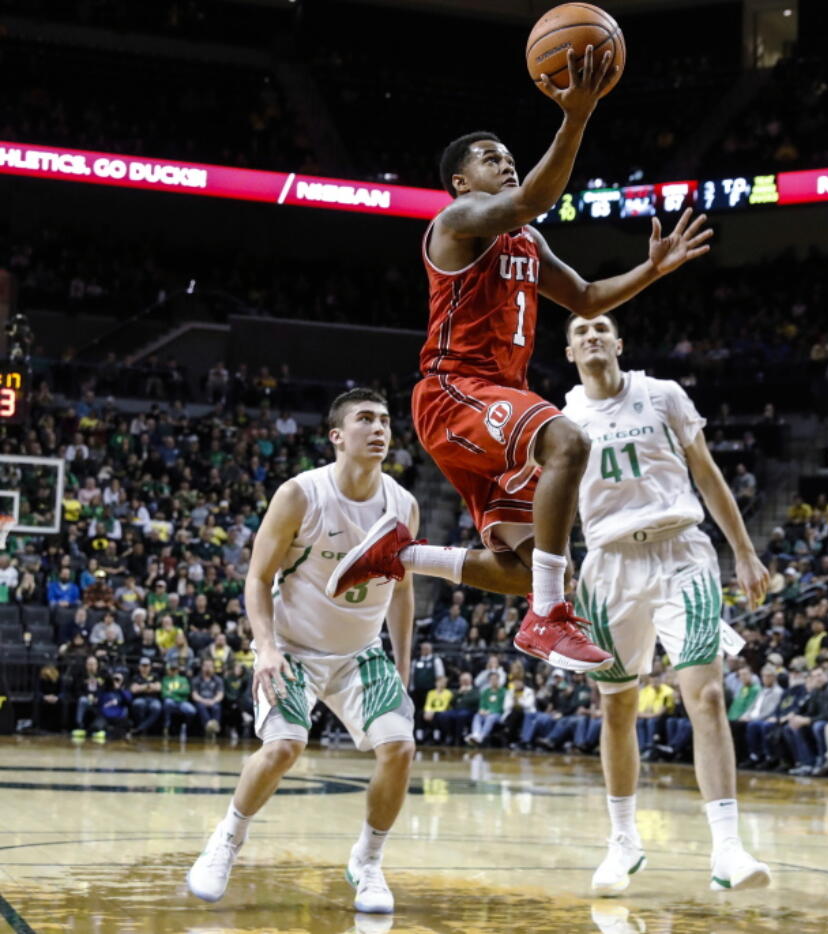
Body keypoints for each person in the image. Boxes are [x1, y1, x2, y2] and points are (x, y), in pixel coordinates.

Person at [325, 46, 713, 675]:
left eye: (507, 156)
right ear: (460, 182)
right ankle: (548, 618)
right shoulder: (456, 222)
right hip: (455, 392)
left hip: (492, 401)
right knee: (568, 442)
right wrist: (576, 117)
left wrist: (653, 268)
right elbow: (531, 198)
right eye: (490, 159)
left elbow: (585, 297)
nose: (503, 163)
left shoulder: (526, 239)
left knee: (530, 566)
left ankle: (403, 554)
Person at [559, 313, 772, 894]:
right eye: (581, 332)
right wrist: (553, 573)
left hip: (683, 554)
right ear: (571, 352)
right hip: (609, 567)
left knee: (704, 693)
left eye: (601, 327)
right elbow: (548, 503)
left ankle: (727, 847)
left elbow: (707, 474)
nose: (592, 336)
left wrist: (745, 553)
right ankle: (624, 840)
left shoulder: (662, 394)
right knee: (617, 708)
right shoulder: (563, 421)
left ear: (619, 343)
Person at [187, 388, 419, 915]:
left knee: (400, 747)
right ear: (337, 436)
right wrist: (265, 647)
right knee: (284, 747)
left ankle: (368, 861)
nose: (379, 428)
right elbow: (257, 578)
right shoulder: (300, 494)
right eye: (366, 419)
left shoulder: (404, 504)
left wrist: (402, 664)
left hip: (361, 652)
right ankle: (226, 840)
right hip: (291, 647)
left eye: (385, 420)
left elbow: (402, 588)